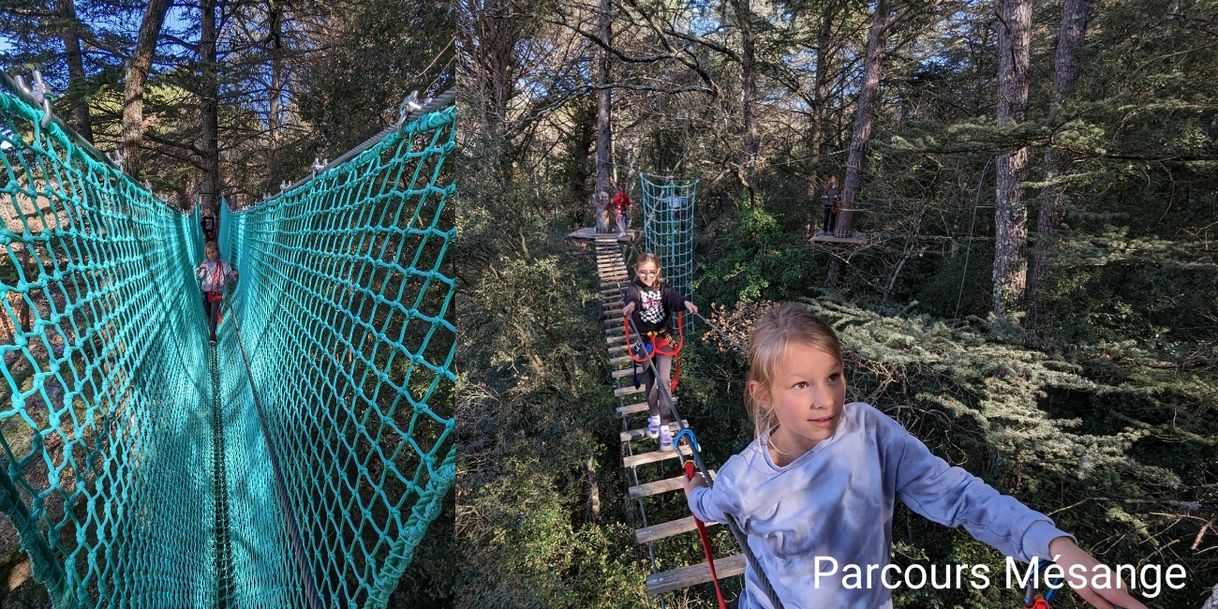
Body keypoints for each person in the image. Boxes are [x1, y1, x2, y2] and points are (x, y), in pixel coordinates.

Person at [682, 303, 1149, 609]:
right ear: (762, 395)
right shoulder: (743, 480)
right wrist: (696, 489)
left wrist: (1054, 546)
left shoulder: (868, 432)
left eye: (834, 376)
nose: (826, 399)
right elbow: (709, 505)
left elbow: (958, 495)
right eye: (801, 384)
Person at [621, 253, 698, 451]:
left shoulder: (664, 289)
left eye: (652, 272)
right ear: (636, 271)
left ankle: (664, 425)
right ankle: (653, 414)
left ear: (658, 272)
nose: (647, 276)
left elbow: (673, 299)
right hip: (645, 339)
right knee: (650, 381)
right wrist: (630, 306)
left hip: (663, 338)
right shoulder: (634, 288)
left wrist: (685, 303)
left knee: (663, 381)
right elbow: (633, 299)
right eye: (643, 272)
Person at [196, 241, 238, 345]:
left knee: (213, 312)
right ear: (206, 254)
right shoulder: (205, 263)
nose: (211, 255)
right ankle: (212, 322)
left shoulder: (224, 264)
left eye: (213, 252)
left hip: (217, 292)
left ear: (217, 251)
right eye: (209, 253)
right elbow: (200, 276)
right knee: (208, 312)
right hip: (205, 292)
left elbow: (229, 275)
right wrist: (199, 272)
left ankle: (212, 335)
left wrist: (234, 276)